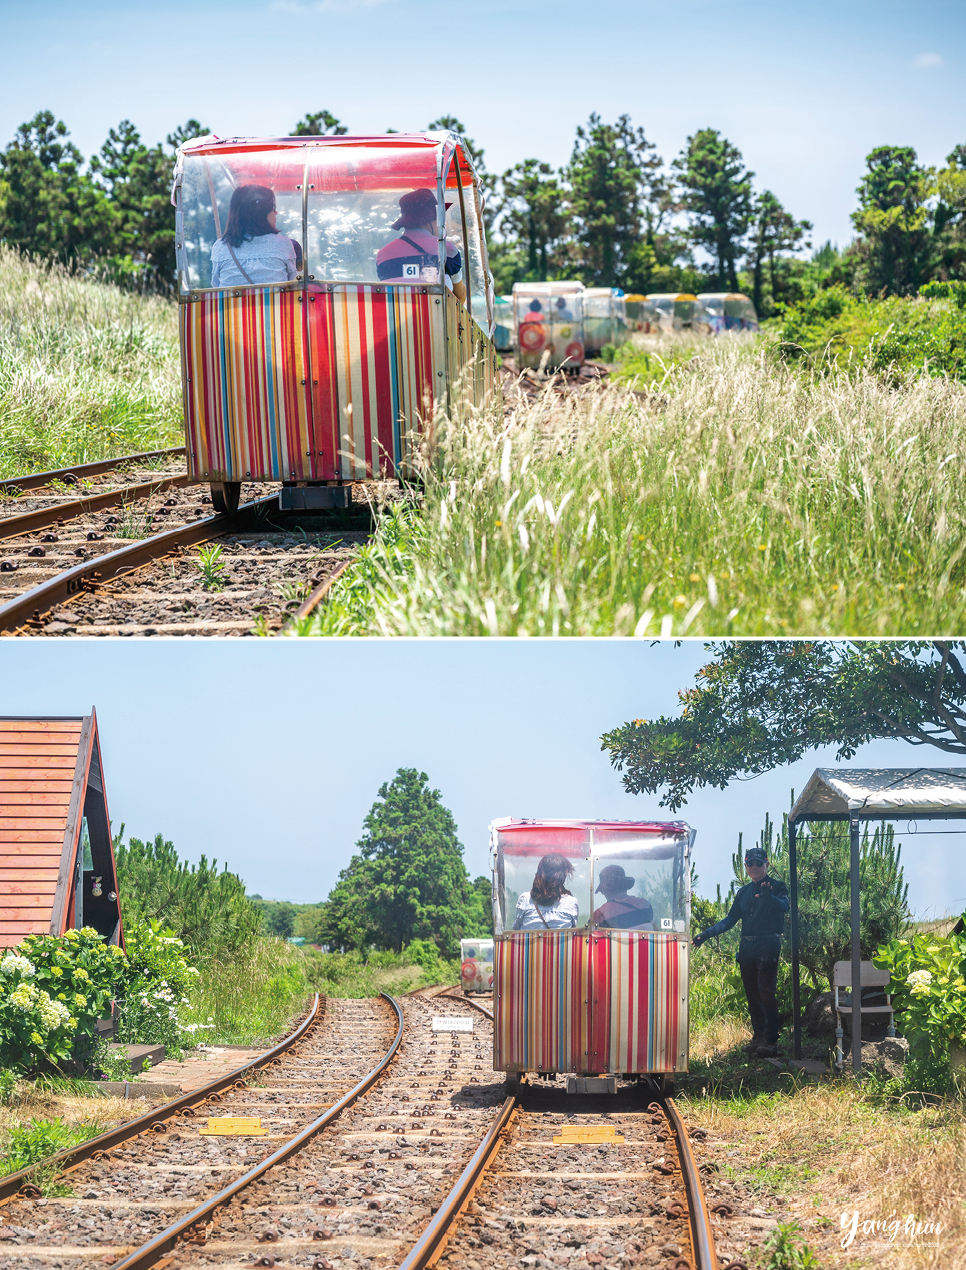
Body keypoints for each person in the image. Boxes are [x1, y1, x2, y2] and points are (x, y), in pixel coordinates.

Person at [692, 846, 789, 1058]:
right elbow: (730, 919)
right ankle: (758, 1036)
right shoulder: (743, 892)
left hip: (768, 943)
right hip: (747, 946)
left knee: (766, 991)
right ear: (745, 866)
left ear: (767, 864)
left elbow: (785, 907)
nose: (754, 867)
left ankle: (771, 1039)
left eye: (759, 863)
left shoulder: (777, 886)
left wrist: (768, 898)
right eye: (750, 864)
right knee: (752, 993)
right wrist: (706, 934)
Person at [376, 188, 465, 301]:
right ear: (431, 221)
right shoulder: (447, 250)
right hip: (436, 317)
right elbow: (460, 296)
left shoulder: (382, 255)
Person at [210, 184, 301, 288]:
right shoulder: (283, 244)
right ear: (261, 211)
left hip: (231, 304)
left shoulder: (221, 247)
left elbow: (216, 287)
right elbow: (293, 286)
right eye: (273, 207)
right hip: (275, 304)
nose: (276, 212)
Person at [512, 853, 579, 930]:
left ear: (539, 874)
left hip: (530, 942)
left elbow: (516, 930)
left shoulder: (526, 899)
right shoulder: (571, 902)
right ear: (562, 877)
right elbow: (572, 932)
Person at [592, 864, 653, 929]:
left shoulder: (599, 914)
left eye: (602, 889)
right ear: (625, 886)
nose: (602, 893)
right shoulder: (644, 904)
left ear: (606, 889)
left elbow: (589, 933)